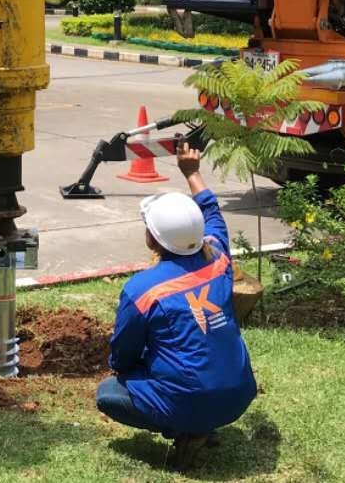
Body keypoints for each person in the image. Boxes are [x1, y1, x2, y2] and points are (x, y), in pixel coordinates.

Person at [96, 143, 258, 467]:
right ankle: (203, 419)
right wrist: (192, 172)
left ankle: (188, 427)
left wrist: (134, 368)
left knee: (109, 393)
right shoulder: (219, 260)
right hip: (239, 394)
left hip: (193, 401)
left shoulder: (142, 290)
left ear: (152, 239)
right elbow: (212, 212)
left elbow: (122, 355)